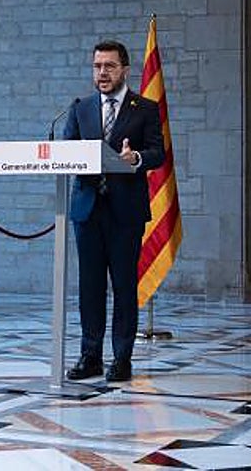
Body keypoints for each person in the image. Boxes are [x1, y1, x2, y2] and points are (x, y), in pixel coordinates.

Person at [63, 39, 164, 382]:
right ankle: (90, 356)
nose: (102, 73)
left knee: (123, 286)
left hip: (125, 213)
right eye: (97, 66)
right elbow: (66, 153)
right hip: (88, 210)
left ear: (124, 69)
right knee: (89, 287)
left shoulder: (145, 108)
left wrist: (134, 158)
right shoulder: (80, 108)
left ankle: (121, 359)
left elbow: (158, 153)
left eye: (108, 66)